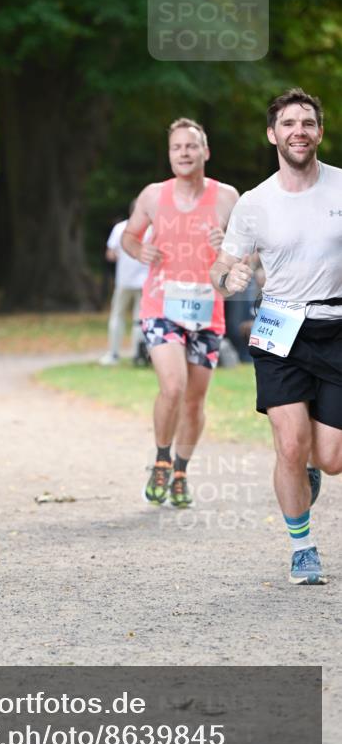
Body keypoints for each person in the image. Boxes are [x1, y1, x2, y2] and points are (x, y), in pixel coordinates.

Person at [211, 88, 342, 586]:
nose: (299, 131)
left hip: (336, 330)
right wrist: (230, 279)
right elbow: (222, 271)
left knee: (330, 459)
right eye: (289, 123)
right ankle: (302, 547)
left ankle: (309, 468)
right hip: (279, 330)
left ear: (320, 131)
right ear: (273, 134)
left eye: (308, 122)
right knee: (290, 444)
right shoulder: (254, 203)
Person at [122, 118, 239, 508]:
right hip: (162, 305)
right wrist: (139, 250)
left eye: (191, 146)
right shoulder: (154, 195)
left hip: (208, 308)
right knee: (172, 386)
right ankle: (161, 460)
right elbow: (129, 235)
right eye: (177, 148)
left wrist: (229, 246)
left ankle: (181, 470)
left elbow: (249, 252)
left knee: (194, 400)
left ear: (205, 152)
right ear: (169, 155)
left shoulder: (227, 198)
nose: (184, 153)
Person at [99, 202, 149, 366]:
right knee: (139, 320)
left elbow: (110, 254)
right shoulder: (151, 230)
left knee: (117, 316)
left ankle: (113, 353)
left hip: (124, 281)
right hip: (144, 282)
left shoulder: (120, 228)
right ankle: (138, 354)